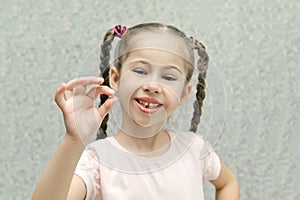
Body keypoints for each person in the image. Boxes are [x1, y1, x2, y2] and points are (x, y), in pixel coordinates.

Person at [32, 23, 239, 200]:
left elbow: (227, 182)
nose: (153, 85)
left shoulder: (195, 149)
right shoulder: (98, 160)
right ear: (115, 78)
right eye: (140, 71)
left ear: (184, 93)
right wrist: (74, 139)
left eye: (168, 77)